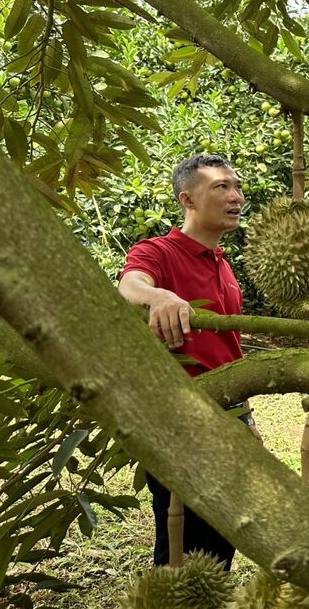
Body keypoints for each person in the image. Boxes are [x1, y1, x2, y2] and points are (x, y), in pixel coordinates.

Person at [118, 153, 255, 569]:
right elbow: (130, 284)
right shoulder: (160, 251)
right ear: (188, 200)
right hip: (180, 423)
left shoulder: (224, 265)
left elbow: (229, 349)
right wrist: (158, 295)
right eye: (221, 187)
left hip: (231, 418)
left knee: (221, 545)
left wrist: (247, 421)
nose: (236, 197)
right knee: (183, 546)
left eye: (237, 187)